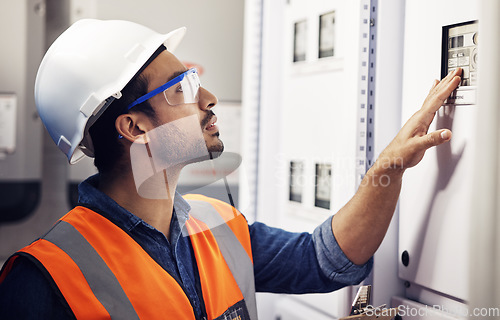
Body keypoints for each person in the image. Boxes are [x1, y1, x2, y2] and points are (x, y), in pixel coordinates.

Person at [0, 19, 461, 320]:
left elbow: (328, 261)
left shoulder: (217, 226)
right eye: (181, 89)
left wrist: (391, 165)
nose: (208, 99)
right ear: (134, 127)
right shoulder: (43, 280)